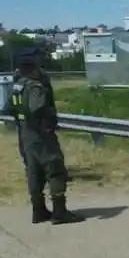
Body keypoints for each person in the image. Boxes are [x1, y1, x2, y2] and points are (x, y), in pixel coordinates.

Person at [7, 48, 83, 224]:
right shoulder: (35, 86)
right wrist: (47, 118)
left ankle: (38, 210)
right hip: (40, 134)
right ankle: (59, 212)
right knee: (55, 169)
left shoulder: (17, 85)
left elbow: (8, 108)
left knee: (34, 171)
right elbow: (37, 108)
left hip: (25, 134)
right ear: (33, 67)